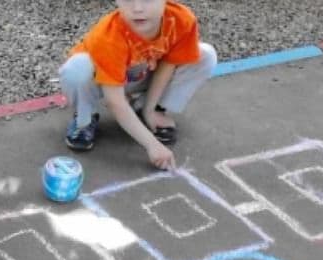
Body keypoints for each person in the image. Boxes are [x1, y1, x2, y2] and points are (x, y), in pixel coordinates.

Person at [59, 0, 218, 170]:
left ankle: (149, 109)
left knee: (205, 55)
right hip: (98, 82)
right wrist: (152, 145)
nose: (137, 9)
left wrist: (149, 109)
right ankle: (85, 118)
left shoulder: (181, 19)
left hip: (141, 74)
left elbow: (169, 64)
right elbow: (115, 101)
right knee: (76, 69)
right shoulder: (108, 34)